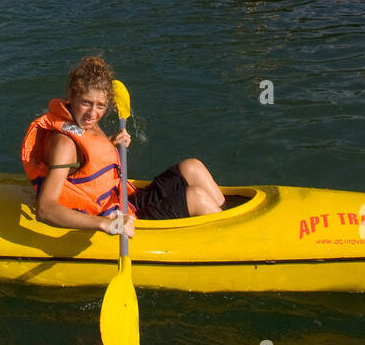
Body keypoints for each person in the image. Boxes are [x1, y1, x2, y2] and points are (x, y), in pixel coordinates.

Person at [21, 56, 224, 238]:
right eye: (86, 102)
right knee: (195, 197)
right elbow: (45, 209)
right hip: (116, 216)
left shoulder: (84, 122)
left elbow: (89, 163)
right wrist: (106, 224)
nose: (93, 113)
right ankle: (228, 241)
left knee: (192, 167)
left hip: (125, 202)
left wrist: (111, 142)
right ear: (71, 97)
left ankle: (228, 219)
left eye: (100, 106)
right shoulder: (64, 143)